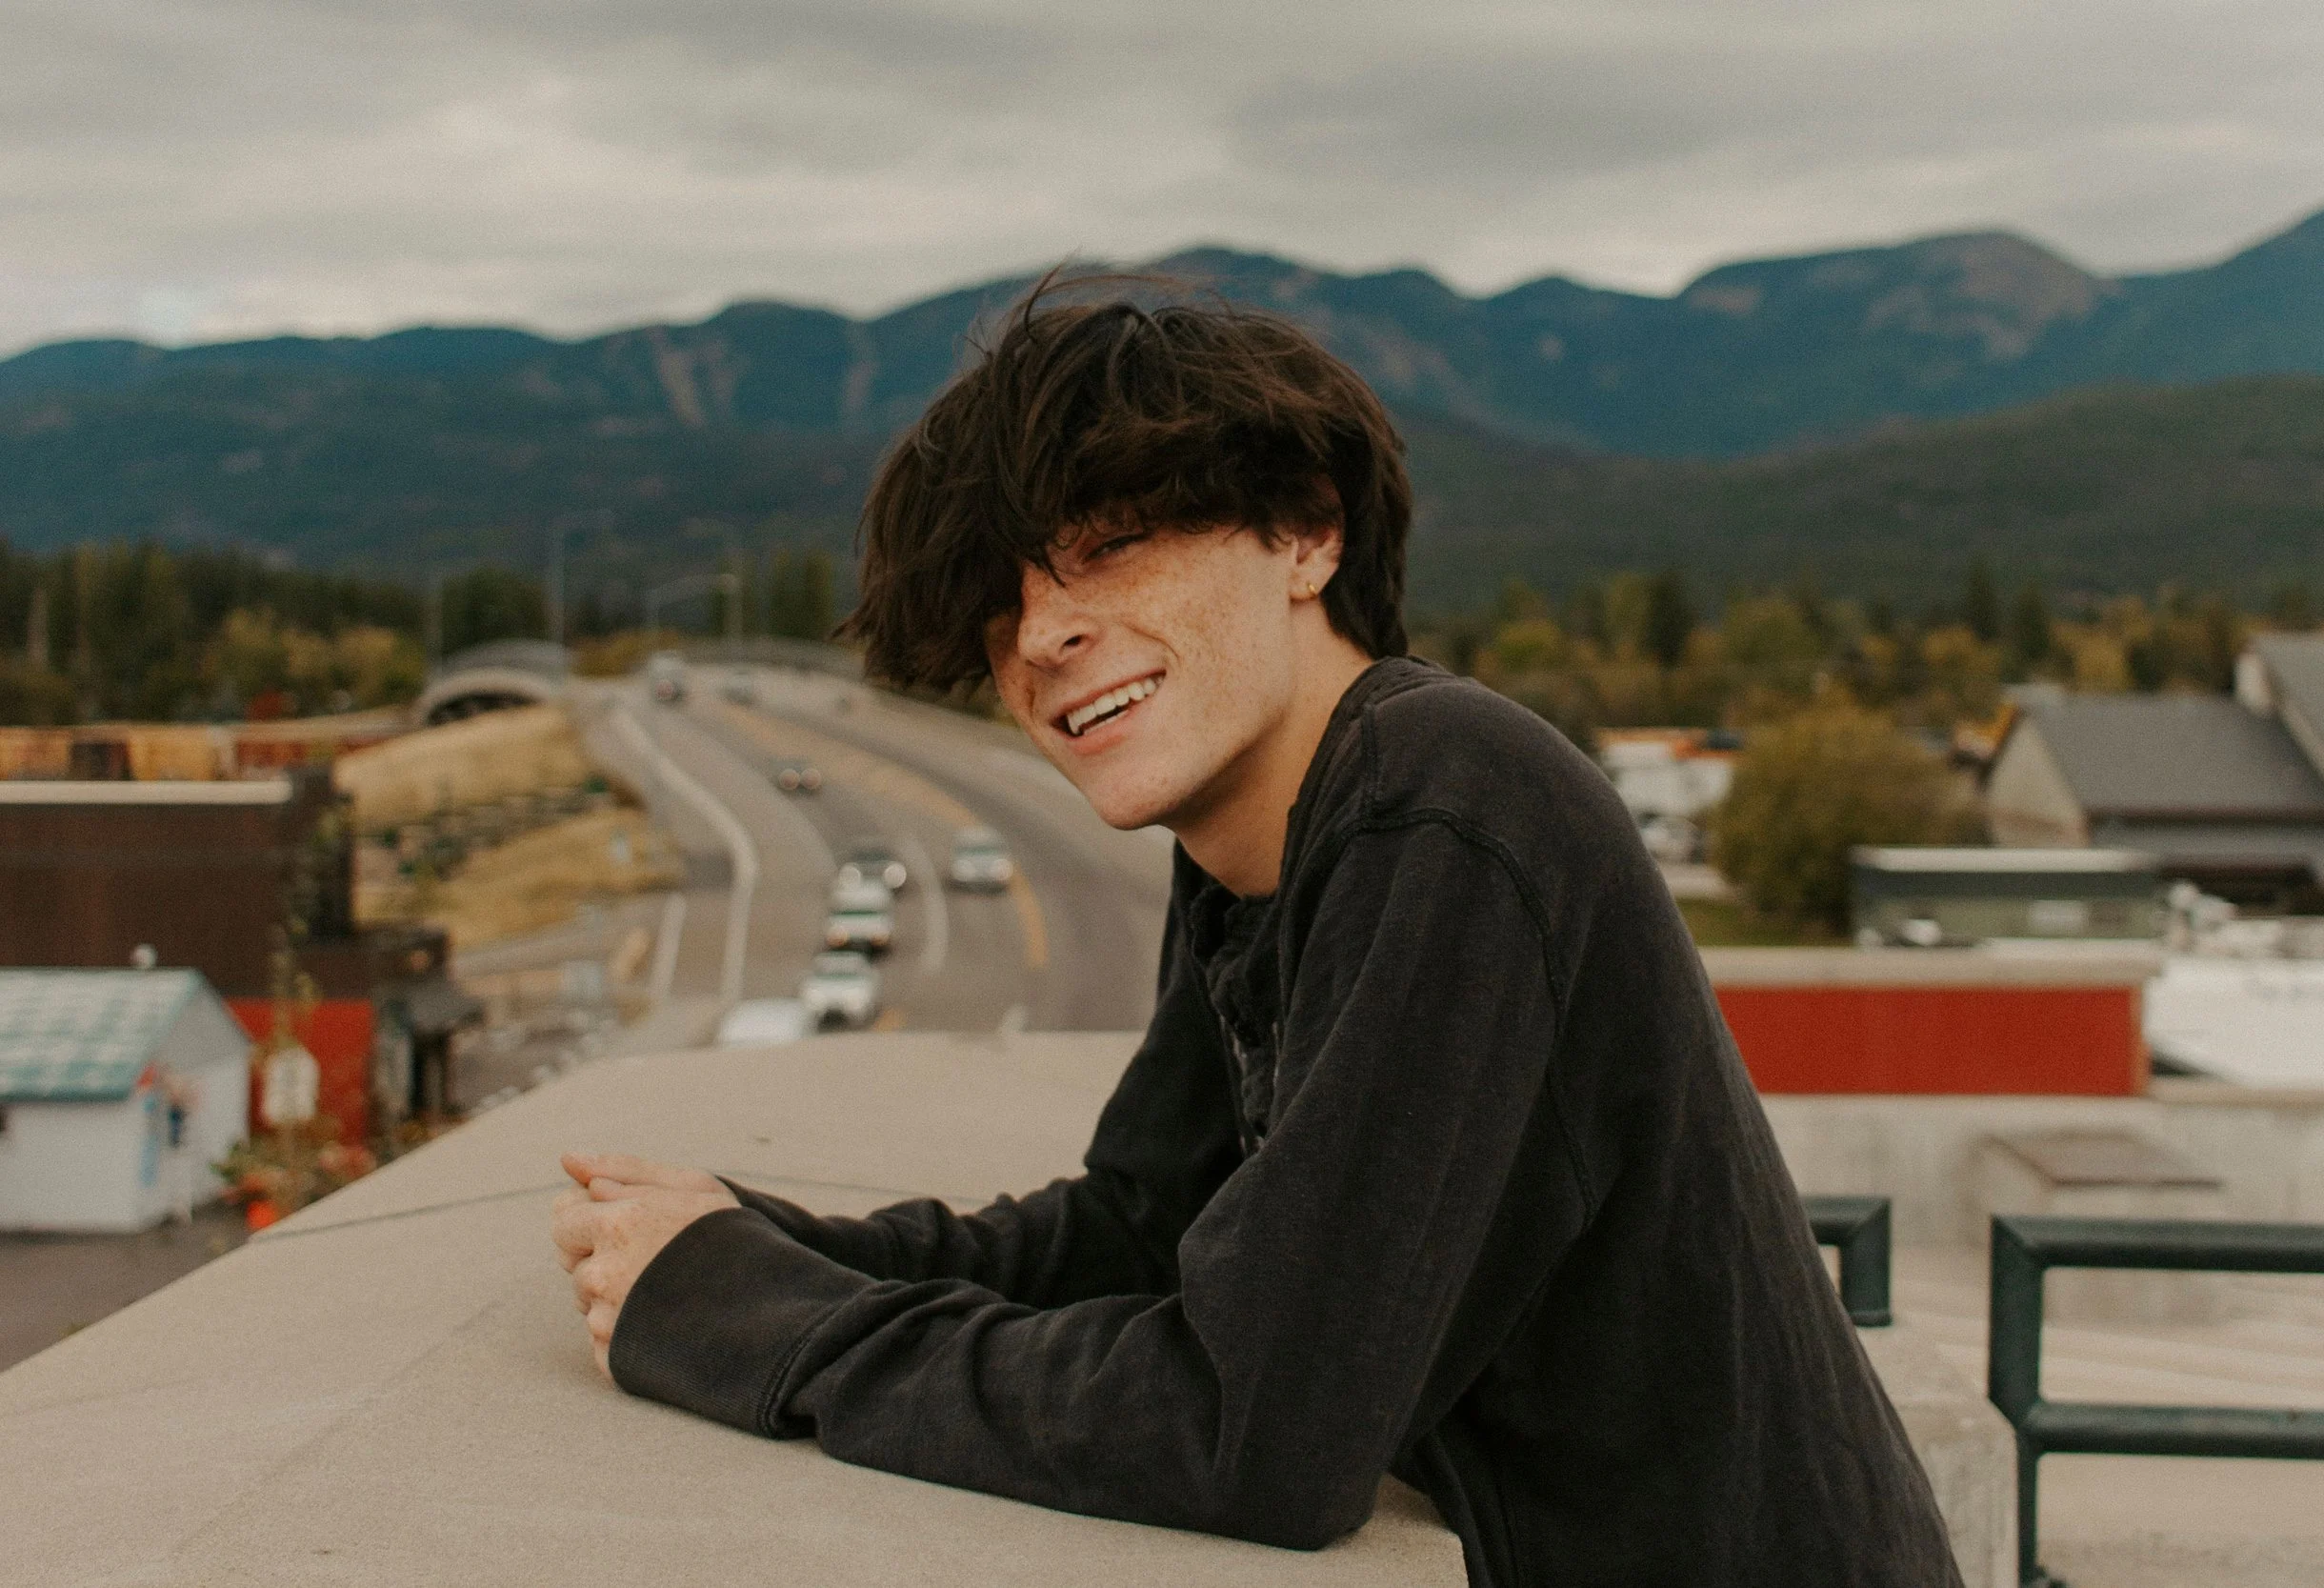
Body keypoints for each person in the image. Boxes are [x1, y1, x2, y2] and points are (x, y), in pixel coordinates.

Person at [551, 286, 1964, 1587]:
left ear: (1307, 531)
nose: (1043, 633)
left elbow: (1257, 1426)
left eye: (1110, 546)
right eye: (1006, 599)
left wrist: (769, 1330)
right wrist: (770, 1248)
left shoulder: (1445, 806)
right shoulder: (1262, 852)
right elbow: (1137, 1229)